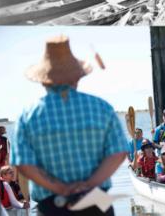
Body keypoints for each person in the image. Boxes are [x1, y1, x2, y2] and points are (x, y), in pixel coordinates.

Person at [11, 35, 127, 215]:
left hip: (52, 205)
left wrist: (59, 188)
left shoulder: (27, 116)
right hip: (98, 199)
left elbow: (23, 163)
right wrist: (90, 184)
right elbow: (119, 152)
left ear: (44, 81)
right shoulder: (102, 108)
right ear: (77, 78)